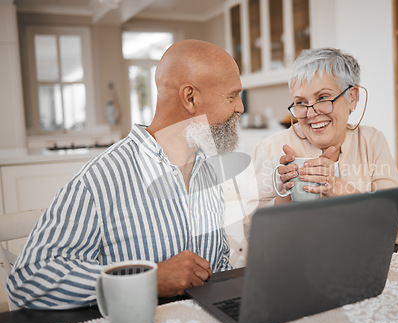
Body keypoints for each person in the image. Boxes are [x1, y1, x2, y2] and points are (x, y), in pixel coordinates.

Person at [7, 40, 245, 309]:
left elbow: (219, 262)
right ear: (190, 98)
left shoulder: (208, 170)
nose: (240, 107)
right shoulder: (100, 179)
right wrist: (147, 279)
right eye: (231, 96)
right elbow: (27, 280)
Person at [251, 48, 398, 244]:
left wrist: (335, 186)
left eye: (323, 98)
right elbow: (253, 236)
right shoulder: (270, 148)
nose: (310, 114)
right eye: (301, 102)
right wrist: (286, 195)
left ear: (352, 97)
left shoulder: (372, 141)